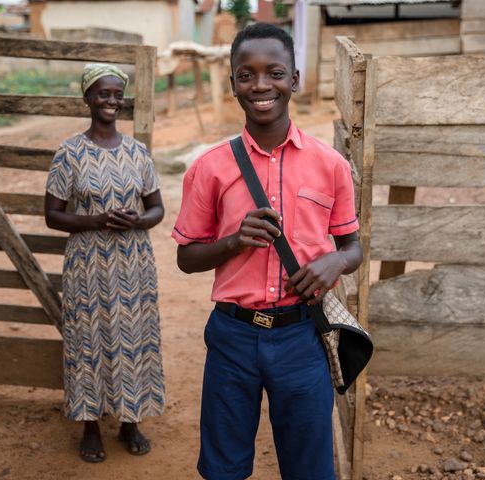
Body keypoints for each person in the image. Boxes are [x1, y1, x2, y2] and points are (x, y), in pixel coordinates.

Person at [172, 23, 362, 480]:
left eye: (274, 73)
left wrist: (334, 262)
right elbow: (186, 258)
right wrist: (235, 240)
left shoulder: (330, 165)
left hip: (301, 335)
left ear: (294, 78)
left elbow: (352, 246)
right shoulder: (210, 167)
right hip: (232, 337)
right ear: (234, 82)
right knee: (224, 466)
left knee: (309, 466)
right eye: (246, 75)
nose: (261, 86)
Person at [44, 63, 165, 463]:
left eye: (117, 94)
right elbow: (53, 215)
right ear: (87, 98)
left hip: (134, 263)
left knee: (135, 339)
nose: (111, 101)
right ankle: (91, 426)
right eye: (103, 93)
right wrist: (93, 221)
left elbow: (157, 209)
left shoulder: (137, 151)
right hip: (88, 264)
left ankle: (131, 422)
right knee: (87, 342)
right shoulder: (69, 153)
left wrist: (138, 220)